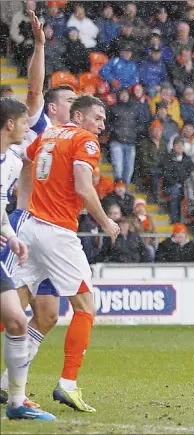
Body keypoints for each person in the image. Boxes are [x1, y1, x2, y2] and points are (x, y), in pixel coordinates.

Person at [10, 95, 120, 413]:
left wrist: (24, 205)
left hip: (30, 227)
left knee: (16, 310)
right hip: (57, 233)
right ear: (79, 116)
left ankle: (7, 385)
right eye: (97, 117)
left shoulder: (48, 134)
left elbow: (28, 164)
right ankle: (68, 385)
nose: (101, 125)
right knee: (85, 307)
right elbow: (85, 189)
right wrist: (107, 222)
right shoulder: (84, 141)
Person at [0, 13, 77, 408]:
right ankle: (16, 394)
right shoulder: (38, 127)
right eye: (69, 100)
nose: (71, 104)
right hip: (24, 226)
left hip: (55, 230)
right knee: (12, 310)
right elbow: (33, 90)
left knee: (46, 314)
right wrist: (41, 46)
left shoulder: (77, 142)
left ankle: (6, 384)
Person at [0, 96, 55, 421]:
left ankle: (16, 402)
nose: (26, 128)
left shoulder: (11, 162)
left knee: (17, 320)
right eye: (23, 123)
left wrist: (12, 237)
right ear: (10, 124)